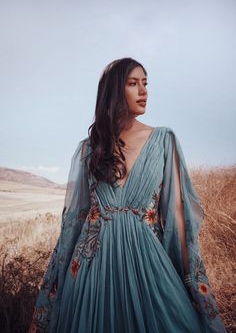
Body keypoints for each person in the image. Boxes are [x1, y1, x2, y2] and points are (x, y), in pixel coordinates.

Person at [28, 58, 227, 333]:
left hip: (147, 265)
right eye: (133, 83)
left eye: (145, 83)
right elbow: (75, 219)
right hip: (90, 272)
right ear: (113, 91)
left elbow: (177, 214)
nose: (143, 91)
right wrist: (56, 285)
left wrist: (190, 279)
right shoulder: (90, 148)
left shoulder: (163, 141)